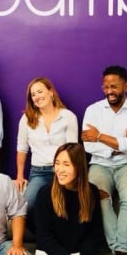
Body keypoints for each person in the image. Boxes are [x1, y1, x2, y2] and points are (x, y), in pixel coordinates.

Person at [81, 65, 127, 255]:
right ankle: (123, 253)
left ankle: (120, 254)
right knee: (100, 198)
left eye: (114, 86)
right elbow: (88, 146)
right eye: (106, 87)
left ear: (126, 86)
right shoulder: (93, 110)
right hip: (100, 165)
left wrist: (100, 136)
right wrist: (119, 143)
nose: (110, 91)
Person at [14, 77, 78, 232]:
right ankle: (44, 237)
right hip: (39, 172)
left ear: (51, 92)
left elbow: (73, 150)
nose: (37, 96)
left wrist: (70, 174)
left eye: (40, 91)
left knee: (65, 207)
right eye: (33, 95)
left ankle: (60, 238)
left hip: (62, 171)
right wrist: (20, 175)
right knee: (27, 207)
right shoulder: (27, 119)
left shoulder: (68, 117)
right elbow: (22, 148)